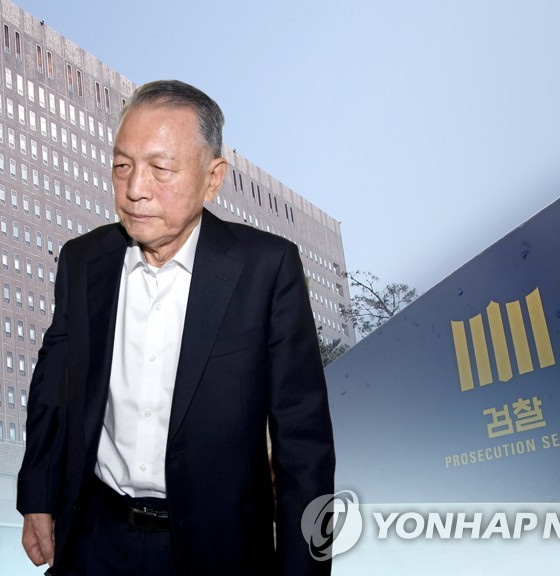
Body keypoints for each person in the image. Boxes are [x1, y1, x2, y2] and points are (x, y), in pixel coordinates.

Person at [17, 79, 335, 575]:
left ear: (213, 178)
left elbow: (303, 444)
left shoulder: (267, 269)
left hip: (220, 552)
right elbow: (52, 388)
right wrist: (37, 495)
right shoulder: (83, 261)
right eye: (122, 166)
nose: (135, 189)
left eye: (160, 168)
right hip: (95, 540)